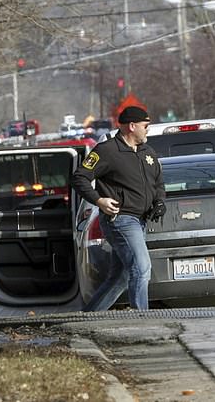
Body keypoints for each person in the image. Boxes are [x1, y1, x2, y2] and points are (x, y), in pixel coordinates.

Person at [73, 106, 165, 311]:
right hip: (120, 219)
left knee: (121, 277)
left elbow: (158, 181)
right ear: (132, 126)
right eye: (145, 126)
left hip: (140, 220)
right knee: (142, 268)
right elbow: (80, 178)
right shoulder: (107, 151)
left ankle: (86, 318)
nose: (148, 130)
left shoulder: (147, 152)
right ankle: (142, 319)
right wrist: (99, 201)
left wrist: (159, 201)